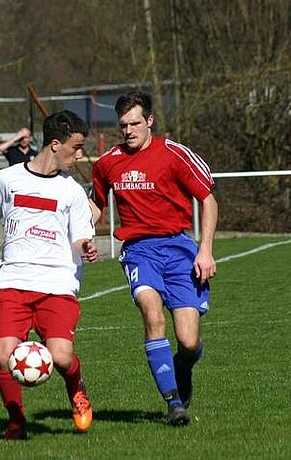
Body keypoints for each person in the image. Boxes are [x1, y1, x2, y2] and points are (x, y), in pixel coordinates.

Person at [91, 91, 218, 427]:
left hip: (179, 250)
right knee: (152, 313)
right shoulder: (107, 163)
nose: (129, 130)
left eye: (135, 123)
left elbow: (208, 200)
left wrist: (205, 250)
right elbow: (96, 206)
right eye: (123, 125)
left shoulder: (175, 154)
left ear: (149, 121)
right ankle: (173, 402)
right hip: (138, 251)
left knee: (188, 342)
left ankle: (183, 368)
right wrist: (79, 231)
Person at [0, 110, 99, 440]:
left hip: (57, 284)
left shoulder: (72, 191)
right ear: (55, 144)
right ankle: (16, 422)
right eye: (76, 147)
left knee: (61, 357)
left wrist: (86, 246)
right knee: (5, 356)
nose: (79, 155)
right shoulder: (7, 179)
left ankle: (77, 389)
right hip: (12, 281)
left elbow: (80, 235)